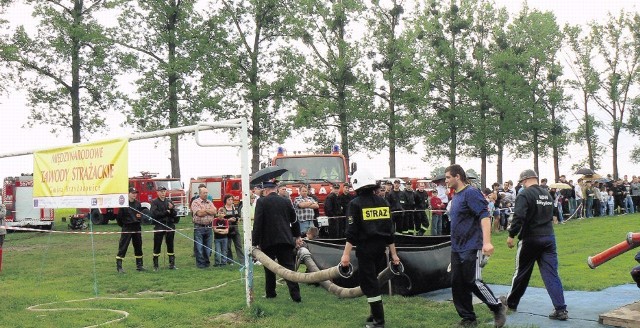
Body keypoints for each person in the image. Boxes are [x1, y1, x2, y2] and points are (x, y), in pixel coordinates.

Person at [502, 169, 568, 321]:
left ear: (524, 180)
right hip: (549, 237)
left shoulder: (524, 194)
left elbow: (519, 216)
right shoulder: (547, 194)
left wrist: (511, 235)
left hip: (531, 238)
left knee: (521, 273)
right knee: (551, 274)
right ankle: (561, 309)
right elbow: (552, 214)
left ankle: (510, 302)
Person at [445, 164, 506, 328]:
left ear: (458, 176)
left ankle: (497, 307)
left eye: (448, 177)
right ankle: (468, 318)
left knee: (473, 281)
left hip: (472, 245)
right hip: (457, 247)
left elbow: (484, 216)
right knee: (457, 283)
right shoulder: (455, 196)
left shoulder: (470, 192)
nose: (446, 181)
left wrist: (487, 242)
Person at [340, 169, 400, 328]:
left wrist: (345, 256)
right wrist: (394, 255)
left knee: (370, 285)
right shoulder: (384, 202)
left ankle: (379, 322)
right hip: (381, 250)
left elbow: (351, 234)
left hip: (365, 249)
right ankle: (374, 314)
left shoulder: (355, 204)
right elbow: (390, 233)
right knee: (372, 283)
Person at [252, 181, 302, 303]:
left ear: (266, 190)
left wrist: (255, 242)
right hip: (285, 238)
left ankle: (271, 293)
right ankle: (296, 296)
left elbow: (258, 223)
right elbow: (294, 220)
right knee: (289, 268)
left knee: (269, 268)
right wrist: (297, 236)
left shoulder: (261, 202)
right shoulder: (286, 201)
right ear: (275, 189)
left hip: (268, 240)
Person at [115, 187, 146, 273]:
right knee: (123, 247)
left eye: (135, 193)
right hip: (127, 227)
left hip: (136, 227)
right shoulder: (124, 204)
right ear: (128, 193)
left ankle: (139, 265)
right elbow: (119, 218)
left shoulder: (138, 204)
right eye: (132, 193)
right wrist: (124, 225)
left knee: (138, 246)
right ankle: (119, 267)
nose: (134, 194)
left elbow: (139, 216)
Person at [150, 186, 178, 271]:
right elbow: (154, 214)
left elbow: (175, 214)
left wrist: (171, 209)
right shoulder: (154, 202)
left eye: (164, 191)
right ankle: (156, 265)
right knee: (157, 245)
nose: (163, 193)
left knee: (170, 244)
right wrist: (166, 212)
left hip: (169, 225)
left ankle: (172, 264)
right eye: (161, 191)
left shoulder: (169, 201)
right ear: (157, 192)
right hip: (159, 225)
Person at [191, 187, 216, 269]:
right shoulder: (195, 202)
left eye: (207, 193)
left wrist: (205, 210)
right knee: (199, 247)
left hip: (209, 227)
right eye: (204, 193)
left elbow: (215, 211)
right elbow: (199, 213)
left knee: (208, 247)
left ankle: (207, 262)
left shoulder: (209, 202)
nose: (206, 194)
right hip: (199, 227)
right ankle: (200, 264)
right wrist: (209, 211)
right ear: (200, 193)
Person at [220, 194, 244, 265]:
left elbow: (238, 217)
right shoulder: (222, 209)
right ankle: (230, 261)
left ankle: (242, 261)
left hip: (235, 228)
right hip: (227, 229)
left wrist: (238, 219)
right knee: (228, 246)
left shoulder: (235, 208)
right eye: (229, 200)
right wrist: (228, 220)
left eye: (231, 200)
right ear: (225, 200)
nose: (231, 201)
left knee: (239, 245)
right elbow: (220, 219)